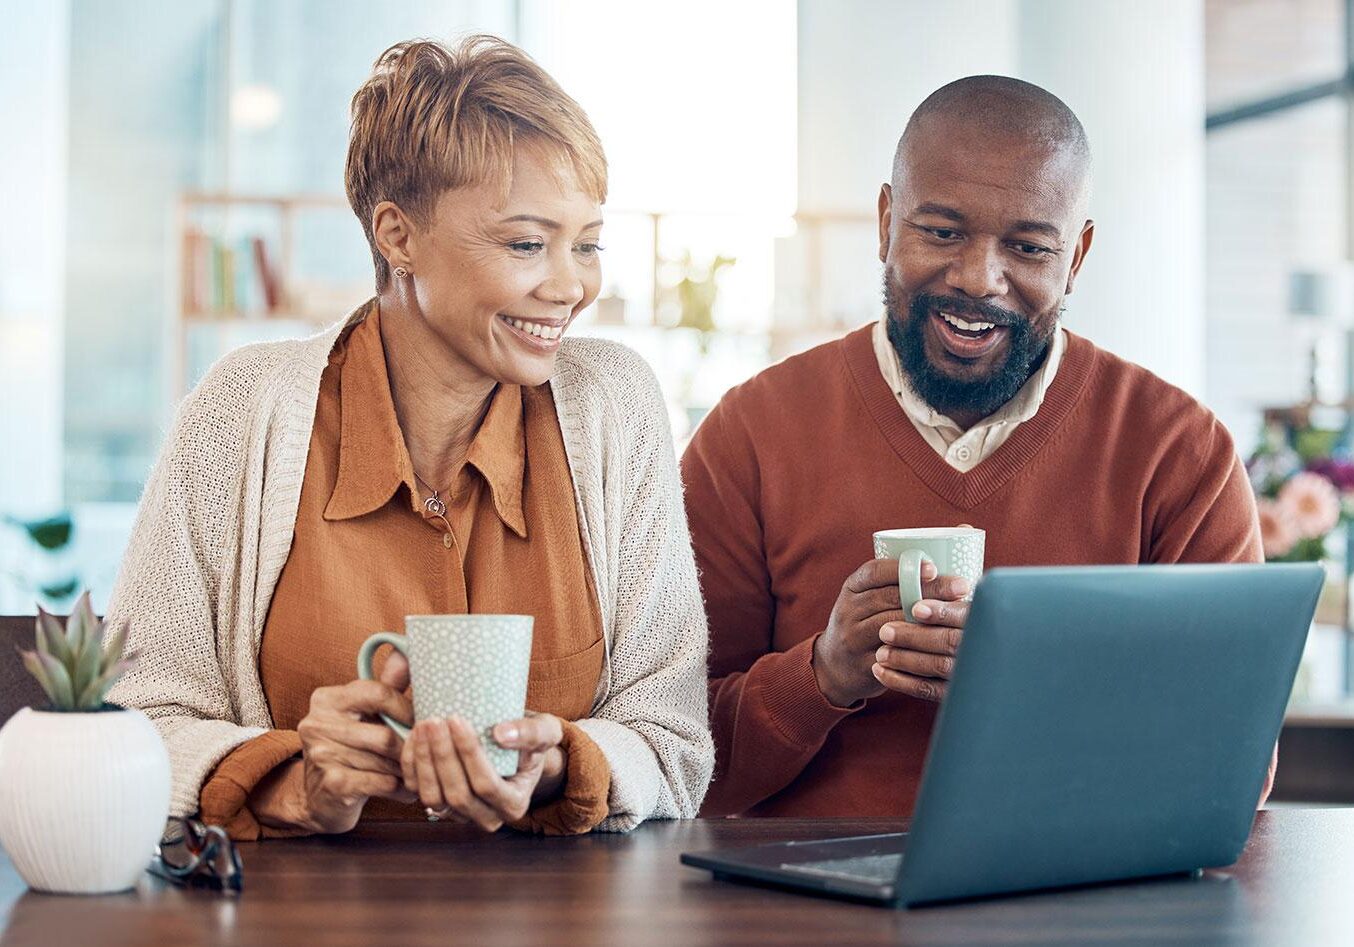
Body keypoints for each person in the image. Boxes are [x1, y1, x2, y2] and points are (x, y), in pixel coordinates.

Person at [108, 35, 712, 840]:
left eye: (587, 243)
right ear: (397, 236)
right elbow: (140, 721)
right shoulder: (240, 411)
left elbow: (673, 741)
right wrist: (294, 781)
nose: (570, 285)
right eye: (527, 243)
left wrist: (560, 762)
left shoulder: (616, 406)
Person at [682, 75, 1273, 819]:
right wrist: (824, 673)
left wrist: (1031, 680)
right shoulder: (752, 434)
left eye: (1027, 246)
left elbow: (1233, 765)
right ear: (887, 220)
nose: (978, 279)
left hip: (1071, 908)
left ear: (1076, 257)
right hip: (809, 912)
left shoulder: (1179, 453)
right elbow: (672, 757)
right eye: (941, 231)